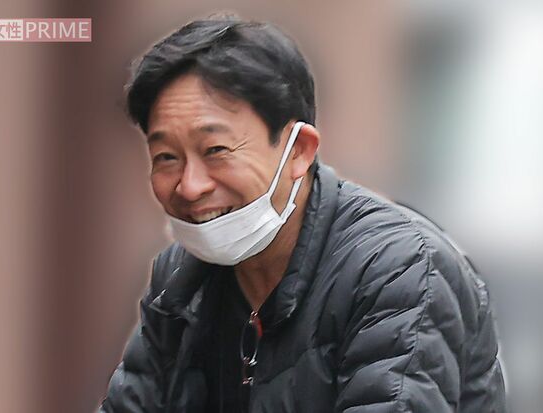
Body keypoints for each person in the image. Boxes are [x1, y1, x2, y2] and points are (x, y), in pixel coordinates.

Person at [99, 15, 507, 413]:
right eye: (166, 157)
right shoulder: (182, 277)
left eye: (216, 150)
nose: (190, 186)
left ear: (298, 151)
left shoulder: (398, 268)